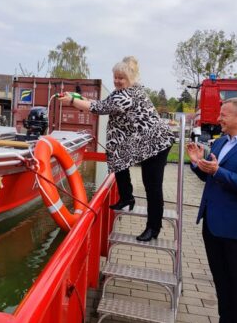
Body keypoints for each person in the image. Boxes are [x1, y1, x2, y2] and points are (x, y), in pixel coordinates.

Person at [58, 56, 174, 241]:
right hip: (141, 142)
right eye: (116, 77)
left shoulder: (126, 95)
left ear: (131, 78)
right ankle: (127, 197)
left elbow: (99, 107)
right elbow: (101, 102)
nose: (118, 81)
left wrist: (72, 101)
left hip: (155, 145)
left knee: (152, 187)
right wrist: (77, 97)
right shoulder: (122, 91)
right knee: (115, 153)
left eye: (122, 78)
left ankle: (154, 227)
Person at [186, 98, 237, 323]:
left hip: (236, 232)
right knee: (221, 282)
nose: (218, 119)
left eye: (223, 115)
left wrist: (218, 171)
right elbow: (209, 176)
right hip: (212, 226)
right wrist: (196, 163)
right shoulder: (220, 143)